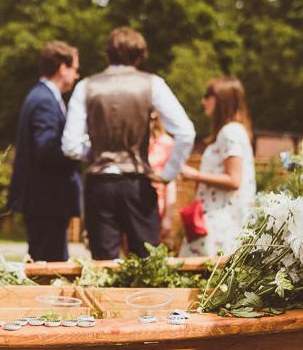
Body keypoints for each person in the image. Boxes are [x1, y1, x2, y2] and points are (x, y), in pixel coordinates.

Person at [62, 27, 195, 259]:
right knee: (146, 265)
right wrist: (168, 174)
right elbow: (185, 131)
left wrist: (96, 153)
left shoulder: (85, 86)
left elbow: (70, 146)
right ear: (139, 55)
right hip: (137, 185)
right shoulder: (153, 84)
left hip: (99, 185)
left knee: (103, 267)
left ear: (107, 54)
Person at [7, 40, 82, 261]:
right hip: (47, 199)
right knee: (50, 266)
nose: (77, 76)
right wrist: (80, 151)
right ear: (62, 67)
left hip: (45, 200)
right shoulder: (44, 101)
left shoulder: (44, 97)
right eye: (75, 69)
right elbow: (46, 150)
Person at [179, 77, 256, 256]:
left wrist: (194, 175)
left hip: (220, 227)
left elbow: (235, 179)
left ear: (222, 99)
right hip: (215, 223)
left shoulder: (231, 132)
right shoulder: (232, 131)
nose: (203, 101)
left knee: (202, 278)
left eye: (208, 95)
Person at [148, 110, 177, 245]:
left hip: (156, 207)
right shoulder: (133, 142)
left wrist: (168, 217)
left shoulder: (167, 143)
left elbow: (171, 183)